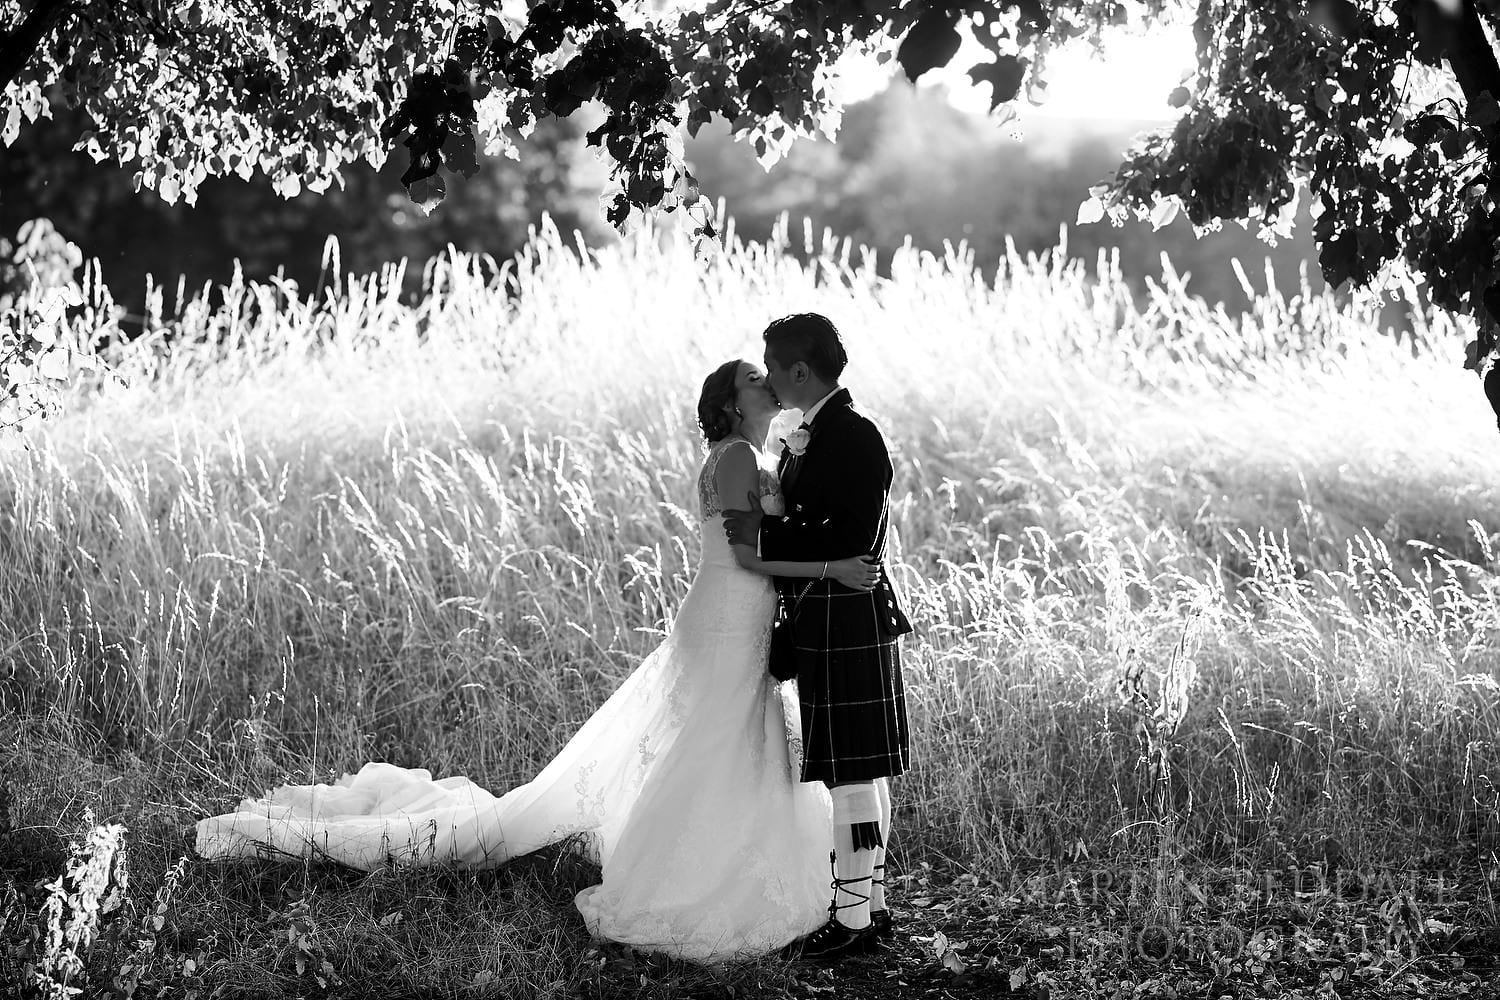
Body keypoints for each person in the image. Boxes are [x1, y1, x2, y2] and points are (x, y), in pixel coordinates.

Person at [194, 357, 880, 963]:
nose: (767, 380)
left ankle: (741, 860)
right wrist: (833, 568)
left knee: (737, 740)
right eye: (754, 377)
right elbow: (747, 556)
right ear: (731, 402)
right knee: (716, 740)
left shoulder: (760, 455)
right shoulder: (733, 458)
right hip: (727, 615)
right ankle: (684, 879)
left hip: (748, 618)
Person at [723, 313, 913, 961]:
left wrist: (761, 534)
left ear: (800, 370)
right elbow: (821, 527)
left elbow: (851, 538)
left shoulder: (854, 435)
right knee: (860, 771)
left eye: (774, 368)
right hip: (829, 611)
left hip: (846, 613)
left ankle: (852, 919)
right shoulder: (814, 434)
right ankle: (870, 906)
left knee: (853, 774)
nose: (770, 380)